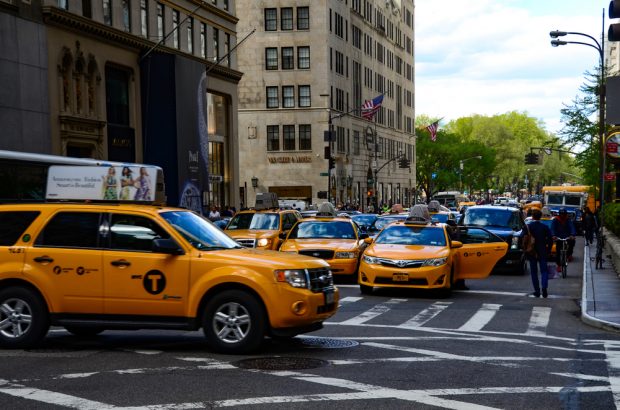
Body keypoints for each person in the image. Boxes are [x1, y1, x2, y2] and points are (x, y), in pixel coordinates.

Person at [525, 209, 554, 298]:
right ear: (540, 216)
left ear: (532, 217)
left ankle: (537, 291)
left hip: (532, 251)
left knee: (534, 272)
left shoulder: (528, 227)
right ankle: (544, 288)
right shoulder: (544, 227)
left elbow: (523, 237)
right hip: (542, 251)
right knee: (544, 271)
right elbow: (550, 239)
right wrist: (548, 250)